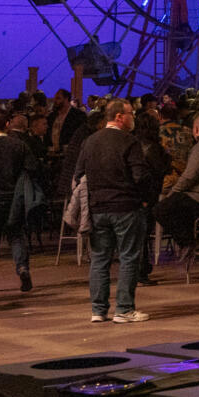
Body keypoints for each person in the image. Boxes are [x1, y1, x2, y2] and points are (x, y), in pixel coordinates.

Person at [74, 99, 154, 323]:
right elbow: (141, 176)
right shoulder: (129, 142)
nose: (134, 118)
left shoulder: (89, 142)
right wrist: (145, 200)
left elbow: (79, 174)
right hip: (126, 206)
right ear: (119, 117)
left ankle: (98, 310)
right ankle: (124, 309)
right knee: (129, 258)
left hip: (98, 208)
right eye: (131, 114)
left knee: (100, 259)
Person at [0, 110, 40, 291]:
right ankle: (22, 268)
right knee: (16, 235)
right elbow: (32, 168)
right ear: (7, 124)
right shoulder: (18, 145)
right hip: (13, 197)